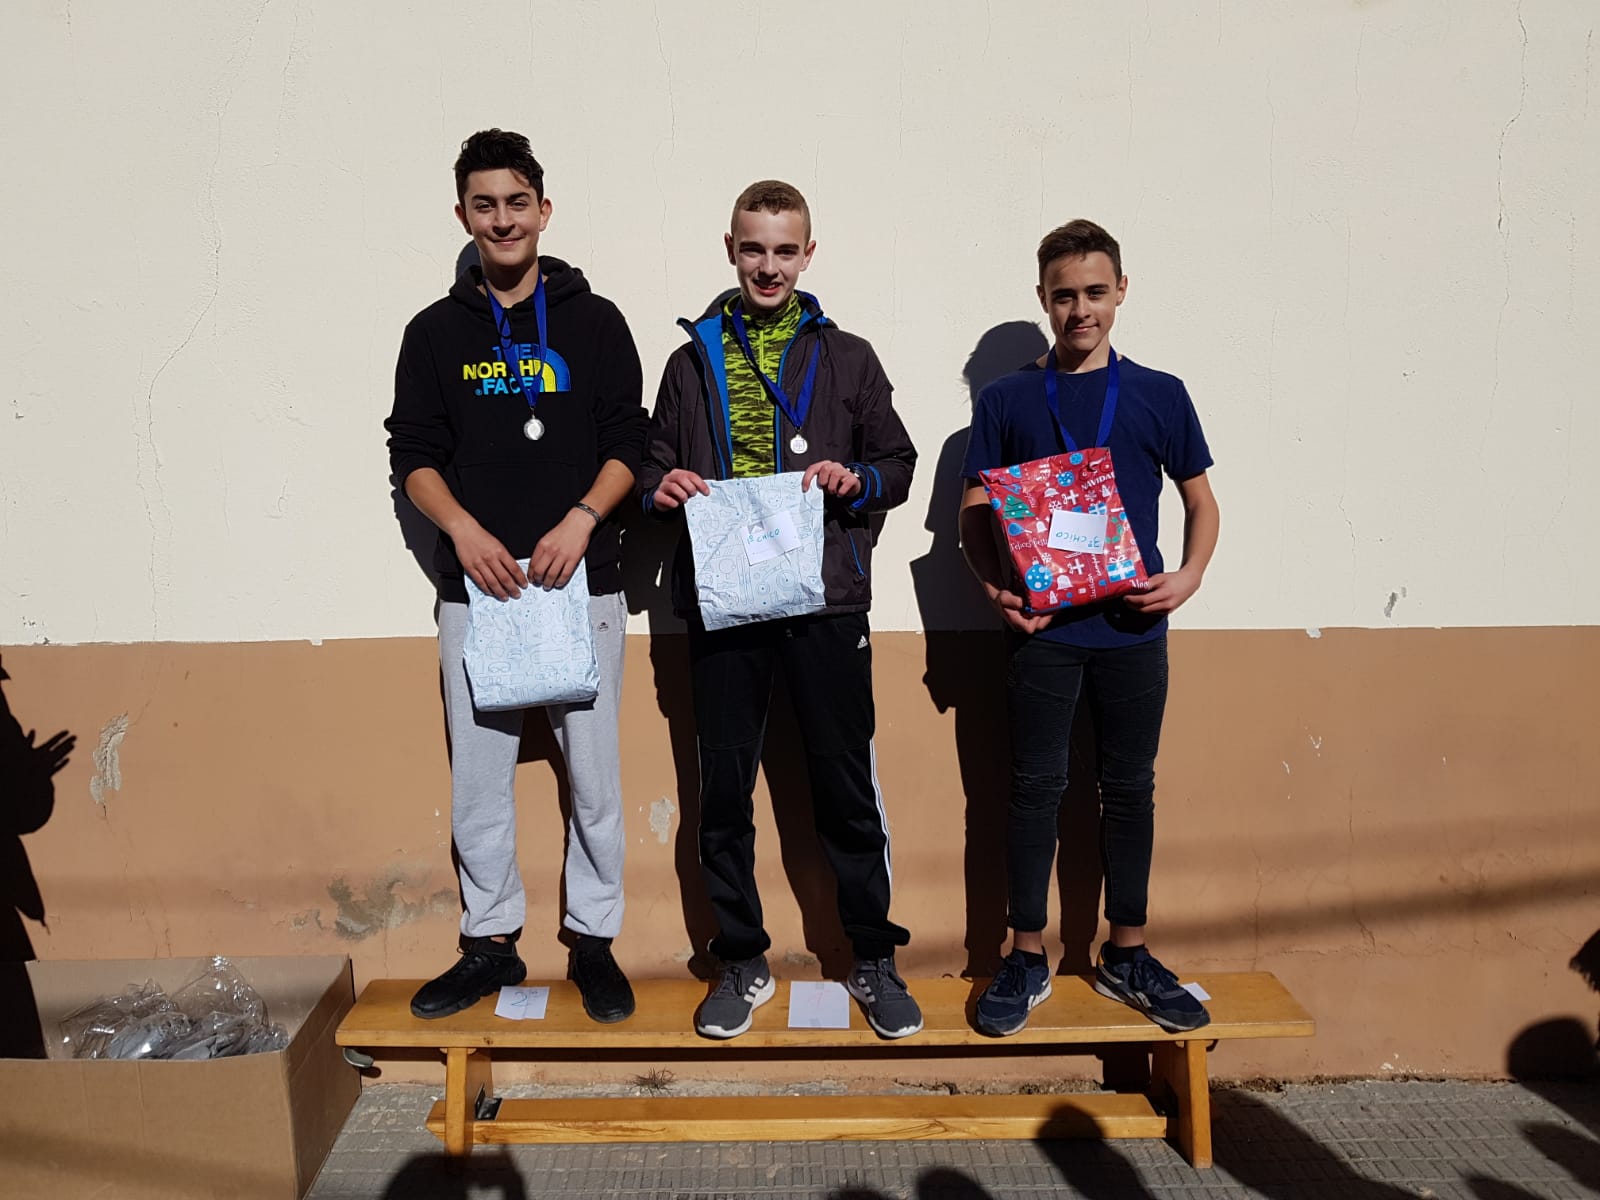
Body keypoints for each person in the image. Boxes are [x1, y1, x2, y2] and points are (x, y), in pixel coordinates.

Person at [637, 180, 921, 1040]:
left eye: (785, 250)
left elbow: (898, 464)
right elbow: (649, 465)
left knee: (845, 785)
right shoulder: (690, 362)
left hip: (824, 601)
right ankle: (740, 959)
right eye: (754, 249)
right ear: (731, 249)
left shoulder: (849, 358)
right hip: (725, 604)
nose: (769, 266)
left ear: (808, 253)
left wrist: (856, 479)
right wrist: (661, 487)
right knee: (723, 793)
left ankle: (873, 956)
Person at [385, 129, 646, 1023]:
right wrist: (462, 532)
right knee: (479, 783)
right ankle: (489, 944)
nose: (503, 219)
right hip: (480, 589)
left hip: (584, 582)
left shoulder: (595, 321)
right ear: (463, 215)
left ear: (544, 209)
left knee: (595, 782)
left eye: (517, 202)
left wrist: (583, 518)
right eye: (484, 204)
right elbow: (413, 454)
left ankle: (594, 942)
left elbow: (629, 440)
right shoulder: (434, 332)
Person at [958, 219, 1220, 1036]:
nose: (1081, 310)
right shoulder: (1005, 400)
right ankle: (1025, 954)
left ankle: (1126, 952)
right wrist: (994, 589)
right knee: (1033, 790)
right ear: (1043, 299)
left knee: (1130, 790)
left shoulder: (1160, 393)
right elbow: (973, 513)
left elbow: (1201, 502)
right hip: (1044, 632)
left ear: (1121, 292)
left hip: (1133, 630)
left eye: (1095, 293)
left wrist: (1188, 576)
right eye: (1064, 295)